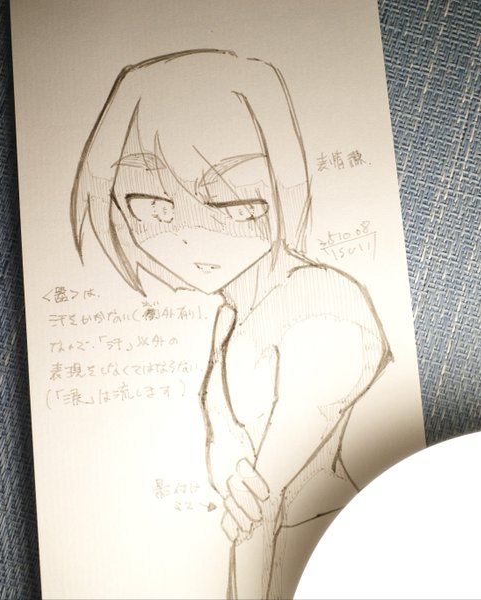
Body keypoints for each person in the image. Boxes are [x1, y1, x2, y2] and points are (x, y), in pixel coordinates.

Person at [72, 49, 391, 599]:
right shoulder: (230, 314)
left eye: (233, 203)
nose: (188, 235)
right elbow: (225, 432)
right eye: (151, 206)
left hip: (328, 551)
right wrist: (223, 454)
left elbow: (261, 504)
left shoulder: (326, 304)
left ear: (281, 183)